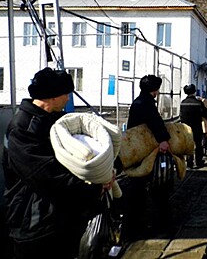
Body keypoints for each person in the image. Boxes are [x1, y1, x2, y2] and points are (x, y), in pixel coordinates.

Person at [3, 67, 108, 259]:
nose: (68, 98)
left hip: (58, 218)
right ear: (51, 96)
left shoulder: (53, 122)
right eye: (65, 94)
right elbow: (47, 176)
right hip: (34, 223)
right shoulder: (23, 129)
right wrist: (94, 189)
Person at [123, 75, 171, 241]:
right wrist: (163, 140)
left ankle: (133, 226)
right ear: (155, 89)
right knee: (148, 187)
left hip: (136, 147)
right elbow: (155, 122)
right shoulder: (146, 103)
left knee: (138, 186)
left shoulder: (138, 101)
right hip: (143, 149)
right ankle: (138, 227)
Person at [180, 84, 207, 168]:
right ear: (194, 92)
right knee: (198, 144)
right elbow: (205, 113)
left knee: (189, 144)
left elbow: (181, 115)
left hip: (185, 128)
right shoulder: (198, 103)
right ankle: (199, 161)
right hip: (197, 127)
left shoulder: (183, 102)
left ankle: (189, 162)